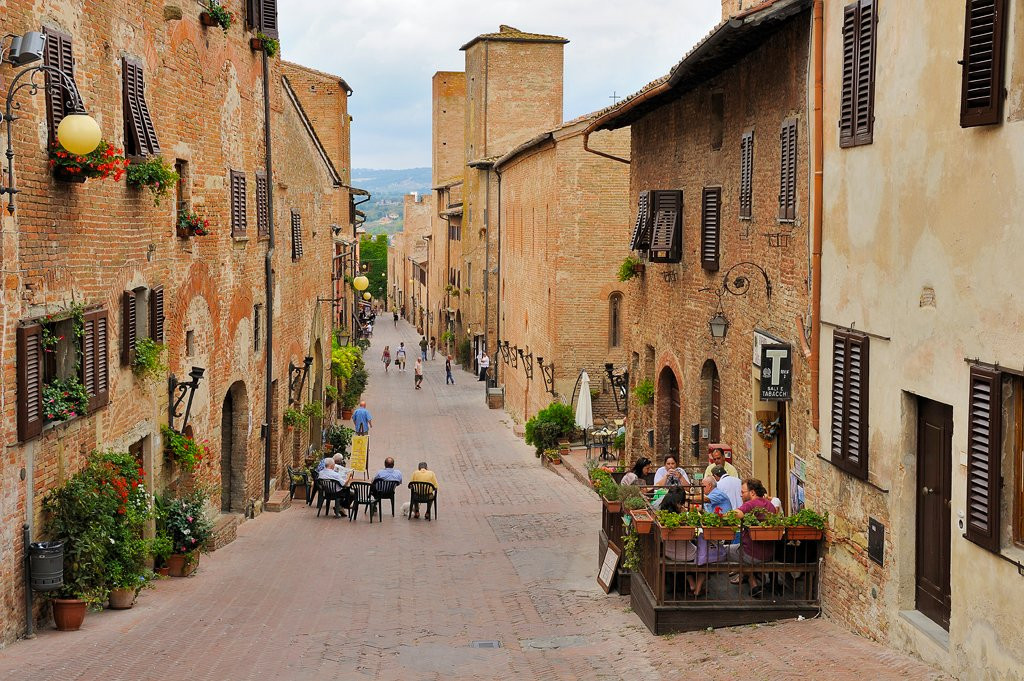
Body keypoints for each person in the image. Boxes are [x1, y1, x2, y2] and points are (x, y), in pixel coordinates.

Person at [731, 478, 779, 595]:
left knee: (724, 551)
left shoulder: (751, 504)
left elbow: (737, 514)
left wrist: (723, 515)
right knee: (742, 550)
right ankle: (754, 585)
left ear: (752, 492)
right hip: (769, 553)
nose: (741, 495)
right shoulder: (771, 506)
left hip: (752, 554)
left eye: (743, 492)